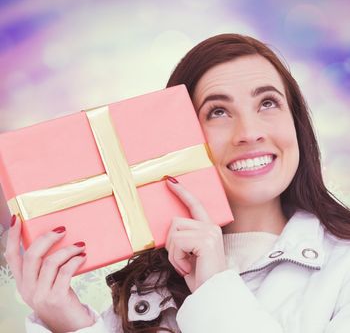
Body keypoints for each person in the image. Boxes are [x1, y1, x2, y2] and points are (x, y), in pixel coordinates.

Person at [5, 33, 350, 333]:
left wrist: (214, 286)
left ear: (296, 123)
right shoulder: (146, 292)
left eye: (268, 103)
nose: (249, 133)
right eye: (218, 111)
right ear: (180, 133)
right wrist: (71, 323)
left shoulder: (342, 269)